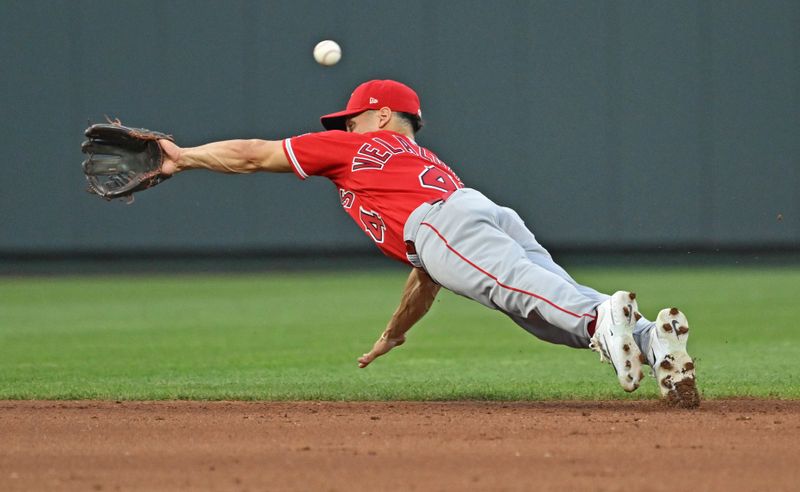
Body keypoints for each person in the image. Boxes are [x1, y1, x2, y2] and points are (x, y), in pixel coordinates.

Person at [157, 79, 699, 408]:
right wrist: (395, 333)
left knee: (523, 291)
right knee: (541, 306)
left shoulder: (358, 148)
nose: (346, 126)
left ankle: (605, 318)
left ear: (383, 116)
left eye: (353, 117)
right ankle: (656, 345)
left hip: (439, 223)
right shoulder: (429, 161)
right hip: (479, 211)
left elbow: (254, 153)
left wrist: (185, 157)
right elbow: (431, 270)